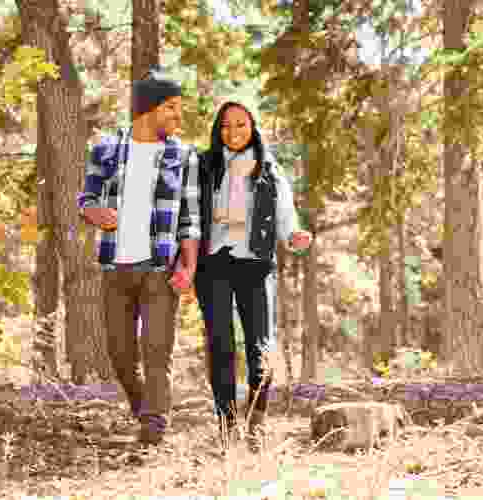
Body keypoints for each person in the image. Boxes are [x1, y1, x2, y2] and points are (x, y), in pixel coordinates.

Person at [77, 66, 201, 446]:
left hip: (159, 268)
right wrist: (94, 212)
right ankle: (144, 409)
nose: (179, 117)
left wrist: (189, 264)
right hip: (116, 267)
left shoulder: (184, 155)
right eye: (172, 108)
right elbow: (86, 199)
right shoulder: (106, 150)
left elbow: (191, 218)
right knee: (120, 354)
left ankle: (153, 431)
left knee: (157, 352)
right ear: (148, 109)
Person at [195, 101, 312, 452]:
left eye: (241, 125)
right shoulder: (203, 165)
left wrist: (293, 235)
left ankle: (256, 420)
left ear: (253, 127)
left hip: (256, 263)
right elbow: (188, 209)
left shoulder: (268, 167)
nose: (233, 133)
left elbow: (285, 211)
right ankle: (226, 422)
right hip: (212, 263)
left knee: (261, 344)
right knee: (220, 343)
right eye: (226, 126)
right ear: (218, 129)